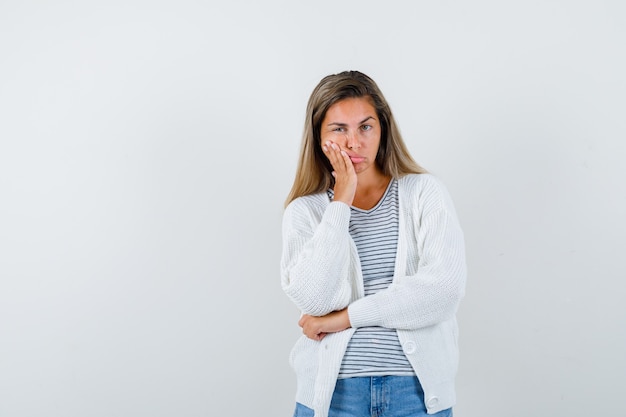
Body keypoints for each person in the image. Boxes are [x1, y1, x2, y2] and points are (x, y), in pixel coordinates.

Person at [280, 70, 466, 417]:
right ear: (318, 136)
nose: (354, 143)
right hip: (332, 399)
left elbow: (444, 291)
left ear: (383, 130)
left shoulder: (424, 194)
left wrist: (345, 318)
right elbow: (314, 300)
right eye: (339, 129)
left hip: (416, 395)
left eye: (365, 127)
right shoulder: (305, 211)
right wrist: (341, 202)